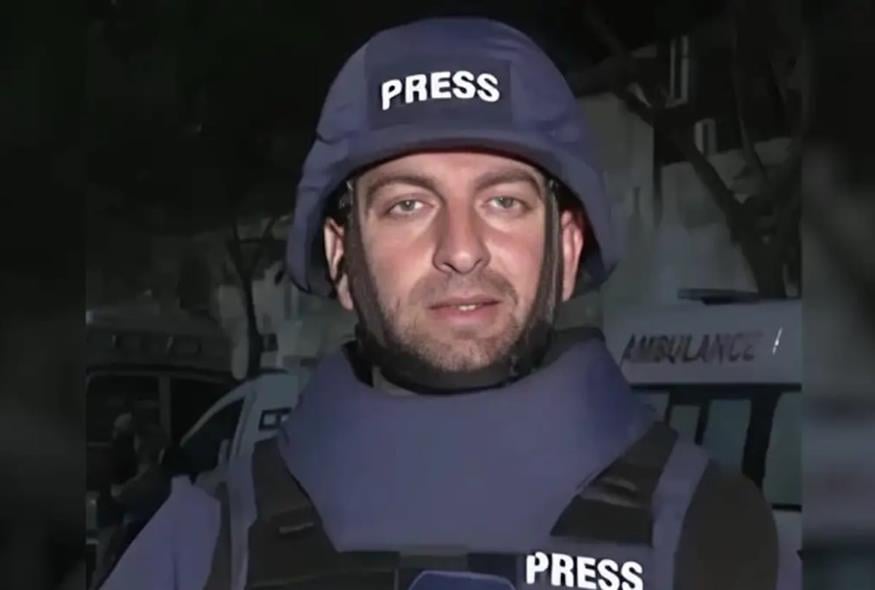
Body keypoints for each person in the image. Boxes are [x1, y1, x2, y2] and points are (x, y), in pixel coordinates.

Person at [100, 17, 797, 590]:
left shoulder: (720, 540)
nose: (461, 250)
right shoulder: (198, 548)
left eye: (503, 202)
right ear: (341, 257)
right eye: (408, 205)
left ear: (566, 247)